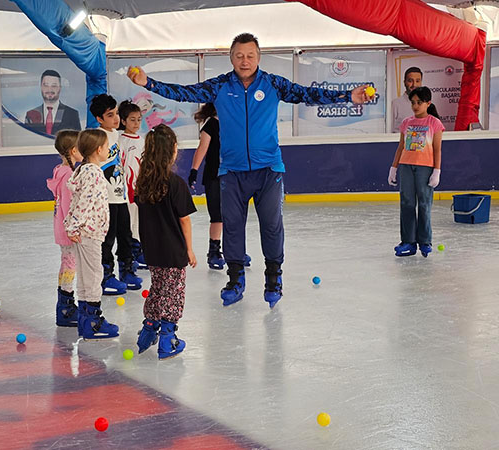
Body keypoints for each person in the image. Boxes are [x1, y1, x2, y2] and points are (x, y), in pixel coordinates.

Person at [128, 32, 370, 308]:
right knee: (232, 227)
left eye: (250, 55)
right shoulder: (220, 86)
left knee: (272, 226)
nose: (245, 61)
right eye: (239, 56)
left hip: (268, 170)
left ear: (259, 57)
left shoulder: (273, 84)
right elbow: (185, 92)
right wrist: (147, 83)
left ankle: (273, 278)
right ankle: (235, 279)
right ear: (231, 57)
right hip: (232, 171)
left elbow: (308, 95)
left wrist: (347, 95)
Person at [135, 124, 197, 360]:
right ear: (172, 151)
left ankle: (148, 330)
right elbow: (185, 222)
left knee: (158, 289)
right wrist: (189, 250)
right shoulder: (176, 184)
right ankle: (167, 339)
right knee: (173, 293)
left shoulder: (143, 183)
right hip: (173, 251)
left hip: (152, 250)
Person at [64, 129, 119, 340]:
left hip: (84, 232)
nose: (108, 150)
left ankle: (86, 320)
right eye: (106, 147)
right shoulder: (94, 173)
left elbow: (76, 202)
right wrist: (73, 226)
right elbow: (85, 203)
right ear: (98, 150)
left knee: (87, 277)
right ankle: (93, 322)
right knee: (94, 276)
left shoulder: (83, 170)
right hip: (89, 233)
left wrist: (71, 225)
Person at [90, 94, 143, 294]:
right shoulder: (97, 136)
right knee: (107, 238)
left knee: (125, 235)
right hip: (106, 199)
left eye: (117, 114)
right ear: (99, 119)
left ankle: (127, 269)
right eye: (110, 115)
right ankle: (106, 275)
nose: (116, 119)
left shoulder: (116, 135)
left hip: (120, 195)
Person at [388, 86, 444, 258]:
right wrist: (394, 167)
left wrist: (437, 171)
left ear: (428, 103)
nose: (415, 106)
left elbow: (437, 150)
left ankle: (425, 242)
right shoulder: (406, 122)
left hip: (425, 168)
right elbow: (400, 147)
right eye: (413, 102)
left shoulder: (434, 123)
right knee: (407, 204)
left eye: (419, 102)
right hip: (406, 166)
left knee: (424, 205)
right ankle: (408, 242)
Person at [47, 129, 82, 327]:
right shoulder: (69, 174)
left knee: (67, 263)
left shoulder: (60, 170)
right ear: (74, 150)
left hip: (61, 226)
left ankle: (65, 303)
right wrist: (75, 228)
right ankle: (66, 307)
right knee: (70, 265)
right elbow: (69, 206)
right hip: (69, 229)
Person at [188, 103, 226, 270]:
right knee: (217, 215)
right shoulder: (211, 124)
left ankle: (236, 250)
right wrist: (194, 170)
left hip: (233, 176)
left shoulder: (233, 122)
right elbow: (202, 148)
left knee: (234, 215)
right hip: (214, 177)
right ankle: (214, 251)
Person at [117, 99, 146, 269]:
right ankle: (128, 254)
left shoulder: (142, 140)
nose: (136, 123)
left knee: (138, 221)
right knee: (126, 223)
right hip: (123, 191)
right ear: (123, 121)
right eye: (132, 119)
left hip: (138, 190)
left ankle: (138, 250)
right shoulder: (119, 139)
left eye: (139, 119)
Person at [25, 69, 82, 136]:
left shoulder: (72, 114)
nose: (49, 89)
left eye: (54, 86)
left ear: (60, 88)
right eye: (46, 85)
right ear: (41, 87)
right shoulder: (31, 114)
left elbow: (77, 141)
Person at [392, 67, 423, 133]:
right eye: (410, 81)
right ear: (404, 82)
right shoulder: (395, 104)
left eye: (417, 81)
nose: (414, 85)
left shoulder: (426, 104)